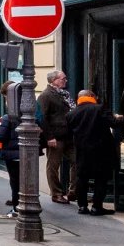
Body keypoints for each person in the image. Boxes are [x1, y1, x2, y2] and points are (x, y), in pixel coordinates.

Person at [68, 89, 124, 216]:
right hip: (101, 150)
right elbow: (114, 123)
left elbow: (69, 133)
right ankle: (97, 207)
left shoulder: (71, 114)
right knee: (101, 179)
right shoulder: (99, 108)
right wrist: (121, 118)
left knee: (82, 179)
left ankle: (82, 206)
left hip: (82, 150)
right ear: (91, 96)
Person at [38, 71, 76, 204]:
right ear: (54, 80)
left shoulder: (65, 94)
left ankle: (73, 192)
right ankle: (56, 193)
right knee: (53, 166)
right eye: (63, 78)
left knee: (77, 161)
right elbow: (42, 118)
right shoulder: (46, 95)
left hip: (69, 136)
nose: (66, 80)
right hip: (56, 137)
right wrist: (49, 137)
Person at [0, 84, 24, 217]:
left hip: (12, 155)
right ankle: (24, 204)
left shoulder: (7, 117)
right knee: (24, 181)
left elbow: (0, 136)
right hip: (25, 154)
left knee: (15, 181)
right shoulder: (28, 115)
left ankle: (16, 208)